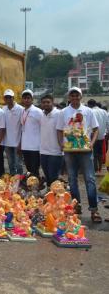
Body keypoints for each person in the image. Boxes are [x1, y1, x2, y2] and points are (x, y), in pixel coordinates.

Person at [56, 87, 101, 223]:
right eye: (72, 95)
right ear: (69, 97)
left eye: (77, 95)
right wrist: (61, 144)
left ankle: (94, 209)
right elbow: (59, 130)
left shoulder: (88, 111)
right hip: (70, 150)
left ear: (81, 97)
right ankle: (76, 207)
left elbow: (96, 129)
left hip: (85, 150)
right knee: (72, 179)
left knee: (90, 179)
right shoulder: (63, 112)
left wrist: (92, 143)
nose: (75, 97)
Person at [40, 94, 63, 187]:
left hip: (56, 152)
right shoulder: (41, 114)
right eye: (44, 102)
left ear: (52, 103)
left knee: (53, 177)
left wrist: (62, 145)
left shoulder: (59, 114)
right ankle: (51, 198)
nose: (46, 104)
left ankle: (57, 198)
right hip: (43, 151)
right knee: (48, 177)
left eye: (48, 102)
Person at [20, 89, 42, 177]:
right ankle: (31, 188)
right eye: (24, 98)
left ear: (32, 99)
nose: (26, 100)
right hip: (25, 146)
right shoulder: (22, 111)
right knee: (29, 169)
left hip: (35, 146)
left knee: (34, 170)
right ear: (22, 99)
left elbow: (43, 127)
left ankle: (36, 188)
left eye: (28, 98)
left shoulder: (38, 111)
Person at [2, 89, 24, 175]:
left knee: (18, 164)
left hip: (17, 142)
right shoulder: (3, 109)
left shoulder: (20, 109)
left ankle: (20, 181)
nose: (8, 99)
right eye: (6, 97)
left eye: (10, 97)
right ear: (4, 98)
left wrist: (21, 143)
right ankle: (12, 182)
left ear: (13, 98)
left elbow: (23, 127)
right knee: (10, 164)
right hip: (7, 142)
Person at [88, 99, 107, 173]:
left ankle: (95, 168)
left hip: (93, 136)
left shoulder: (91, 111)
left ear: (90, 105)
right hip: (102, 135)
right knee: (100, 153)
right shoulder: (104, 112)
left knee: (94, 153)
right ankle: (100, 168)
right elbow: (108, 123)